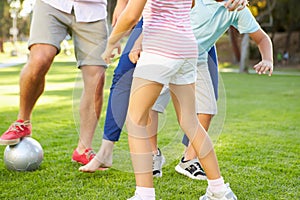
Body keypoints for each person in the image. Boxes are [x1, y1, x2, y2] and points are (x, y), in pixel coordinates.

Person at [78, 0, 248, 177]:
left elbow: (131, 16)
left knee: (137, 120)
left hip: (174, 35)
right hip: (183, 37)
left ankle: (169, 174)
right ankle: (219, 188)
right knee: (188, 118)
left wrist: (111, 43)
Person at [0, 0, 108, 165]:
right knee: (40, 59)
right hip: (53, 3)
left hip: (93, 10)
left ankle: (83, 149)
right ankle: (23, 121)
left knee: (97, 78)